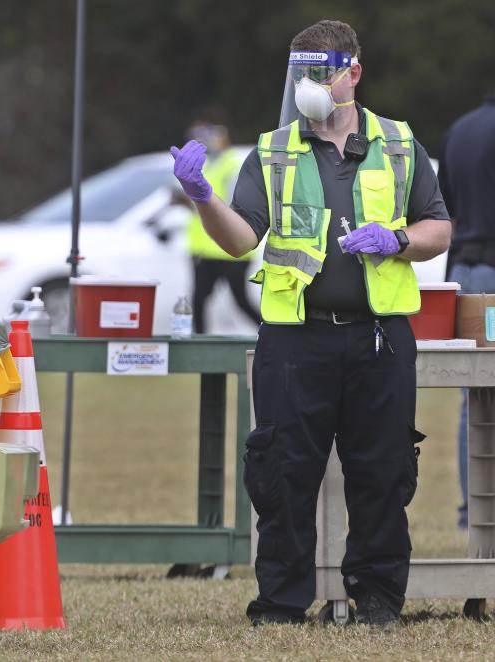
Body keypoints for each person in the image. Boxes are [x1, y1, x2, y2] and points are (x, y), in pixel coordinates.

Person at [170, 20, 451, 626]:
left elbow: (438, 227)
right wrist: (202, 196)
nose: (310, 86)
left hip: (379, 339)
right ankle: (281, 603)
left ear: (354, 72)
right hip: (296, 339)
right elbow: (242, 237)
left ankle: (376, 601)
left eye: (322, 73)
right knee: (282, 472)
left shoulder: (400, 143)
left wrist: (398, 238)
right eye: (301, 74)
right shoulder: (273, 151)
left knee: (382, 472)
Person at [437, 96, 495, 530]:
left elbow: (446, 211)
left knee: (470, 398)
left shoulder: (459, 129)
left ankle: (469, 508)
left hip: (465, 273)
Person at [181, 117, 261, 333]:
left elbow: (233, 205)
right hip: (206, 250)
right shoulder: (206, 165)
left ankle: (272, 334)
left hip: (230, 250)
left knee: (240, 301)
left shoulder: (232, 165)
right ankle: (201, 350)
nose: (206, 140)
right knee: (198, 301)